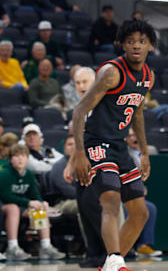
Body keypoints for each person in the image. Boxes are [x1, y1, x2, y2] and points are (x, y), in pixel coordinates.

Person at [67, 19, 156, 271]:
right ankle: (116, 261)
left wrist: (145, 152)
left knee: (140, 213)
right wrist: (79, 151)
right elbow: (79, 109)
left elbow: (137, 114)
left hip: (120, 146)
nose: (136, 46)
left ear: (150, 46)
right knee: (111, 201)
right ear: (122, 46)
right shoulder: (111, 73)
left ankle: (110, 264)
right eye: (130, 42)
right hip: (97, 143)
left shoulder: (148, 76)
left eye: (142, 41)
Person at [0, 144, 65, 261]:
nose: (20, 159)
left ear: (27, 158)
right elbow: (4, 195)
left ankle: (46, 246)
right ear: (11, 159)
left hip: (20, 205)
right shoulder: (4, 174)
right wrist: (28, 202)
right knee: (13, 208)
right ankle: (12, 247)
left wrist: (42, 202)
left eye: (23, 156)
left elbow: (34, 194)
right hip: (0, 204)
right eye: (17, 156)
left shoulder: (28, 175)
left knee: (39, 209)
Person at [125, 128, 162, 257]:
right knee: (126, 210)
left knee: (150, 208)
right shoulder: (124, 154)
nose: (133, 138)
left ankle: (143, 246)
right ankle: (125, 247)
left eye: (135, 135)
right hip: (126, 193)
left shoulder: (150, 150)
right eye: (129, 136)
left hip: (141, 192)